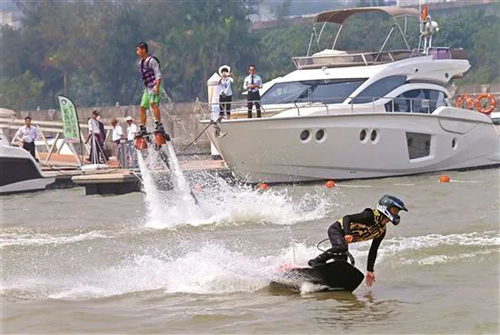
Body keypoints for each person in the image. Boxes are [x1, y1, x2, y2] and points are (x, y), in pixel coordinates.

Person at [308, 195, 408, 287]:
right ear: (386, 208)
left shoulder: (381, 231)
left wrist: (370, 270)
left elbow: (373, 250)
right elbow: (347, 218)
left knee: (341, 264)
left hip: (344, 239)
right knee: (340, 248)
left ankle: (326, 277)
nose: (396, 214)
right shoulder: (370, 216)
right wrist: (347, 233)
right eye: (394, 210)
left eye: (397, 212)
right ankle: (315, 261)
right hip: (337, 230)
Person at [135, 42, 170, 141]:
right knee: (142, 107)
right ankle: (143, 127)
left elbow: (158, 74)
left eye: (138, 50)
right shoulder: (141, 63)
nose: (137, 52)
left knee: (153, 103)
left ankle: (159, 124)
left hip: (155, 85)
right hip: (148, 87)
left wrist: (157, 87)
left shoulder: (152, 61)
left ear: (144, 50)